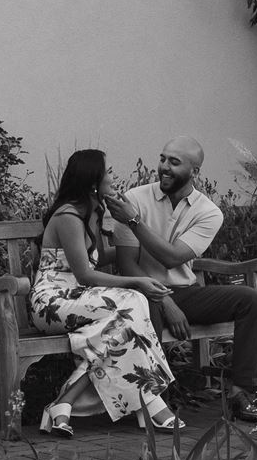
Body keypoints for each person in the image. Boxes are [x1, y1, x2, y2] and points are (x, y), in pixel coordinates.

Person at [104, 135, 257, 419]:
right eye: (163, 158)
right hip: (141, 291)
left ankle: (241, 393)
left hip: (185, 293)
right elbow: (127, 263)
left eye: (174, 162)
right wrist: (165, 300)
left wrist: (134, 221)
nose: (164, 167)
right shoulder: (135, 199)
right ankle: (156, 401)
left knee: (251, 300)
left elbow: (172, 257)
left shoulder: (208, 212)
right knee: (147, 307)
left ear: (195, 171)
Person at [29, 148, 183, 436]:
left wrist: (137, 238)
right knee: (135, 300)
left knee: (119, 328)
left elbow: (97, 259)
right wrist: (138, 282)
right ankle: (151, 401)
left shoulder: (94, 212)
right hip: (52, 301)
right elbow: (85, 274)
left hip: (82, 301)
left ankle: (63, 404)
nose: (113, 177)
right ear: (92, 182)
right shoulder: (68, 216)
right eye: (108, 172)